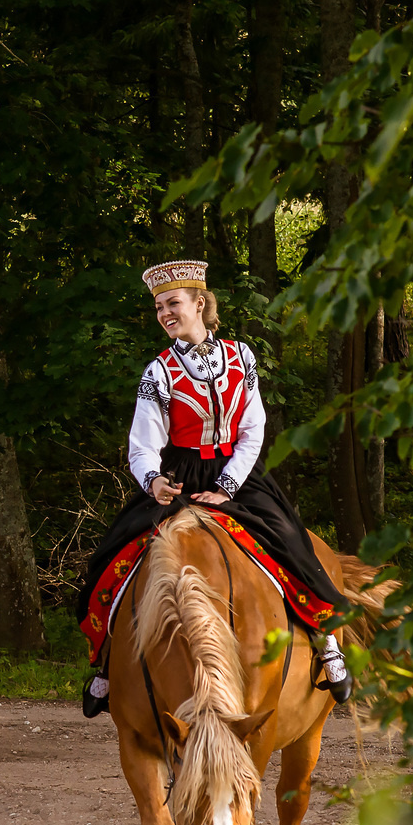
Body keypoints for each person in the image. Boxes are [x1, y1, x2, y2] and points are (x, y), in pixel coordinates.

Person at [75, 259, 353, 719]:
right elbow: (141, 445)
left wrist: (226, 487)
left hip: (237, 474)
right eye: (159, 307)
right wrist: (155, 481)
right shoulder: (158, 371)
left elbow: (254, 429)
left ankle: (327, 642)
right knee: (113, 556)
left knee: (290, 541)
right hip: (178, 476)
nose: (165, 313)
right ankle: (106, 662)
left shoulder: (242, 356)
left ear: (200, 303)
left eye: (173, 303)